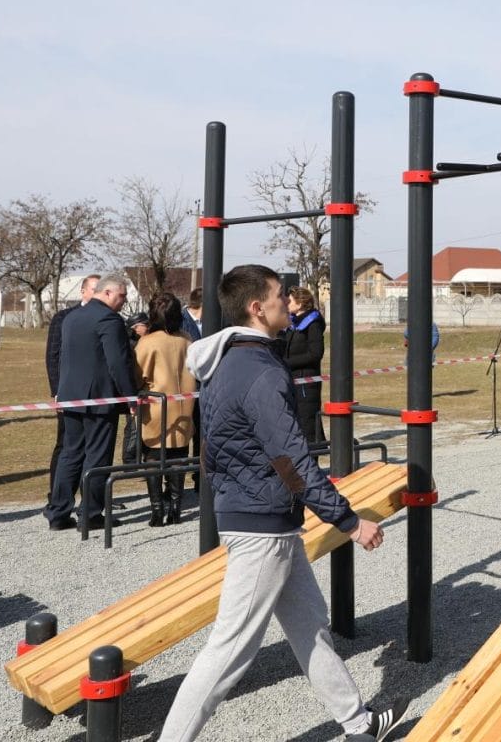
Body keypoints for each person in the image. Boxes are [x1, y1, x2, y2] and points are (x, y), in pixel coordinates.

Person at [157, 264, 404, 742]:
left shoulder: (227, 363)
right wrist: (350, 522)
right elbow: (292, 459)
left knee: (310, 627)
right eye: (279, 296)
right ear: (257, 308)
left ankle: (358, 724)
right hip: (262, 527)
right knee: (229, 650)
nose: (287, 303)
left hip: (262, 517)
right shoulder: (258, 370)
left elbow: (213, 450)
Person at [42, 274, 136, 532]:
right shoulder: (108, 319)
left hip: (71, 396)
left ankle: (58, 512)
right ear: (108, 293)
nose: (123, 302)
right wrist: (130, 396)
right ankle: (91, 513)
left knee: (70, 454)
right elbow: (117, 361)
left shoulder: (71, 317)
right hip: (98, 398)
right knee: (97, 456)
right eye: (122, 296)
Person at [135, 292, 197, 527]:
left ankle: (156, 509)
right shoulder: (187, 339)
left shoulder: (148, 342)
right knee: (179, 458)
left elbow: (137, 373)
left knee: (153, 459)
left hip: (156, 407)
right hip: (183, 406)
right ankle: (175, 508)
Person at [46, 274, 100, 491]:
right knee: (67, 445)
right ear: (83, 291)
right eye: (93, 289)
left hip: (97, 393)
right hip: (70, 391)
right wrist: (56, 389)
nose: (97, 294)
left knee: (95, 447)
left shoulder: (109, 316)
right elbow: (53, 355)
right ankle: (57, 494)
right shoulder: (64, 317)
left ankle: (93, 495)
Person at [283, 287, 326, 445]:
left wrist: (287, 362)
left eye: (290, 300)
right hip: (293, 380)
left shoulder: (312, 323)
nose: (286, 303)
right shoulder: (293, 322)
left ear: (300, 303)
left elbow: (315, 354)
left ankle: (313, 461)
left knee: (308, 425)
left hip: (306, 383)